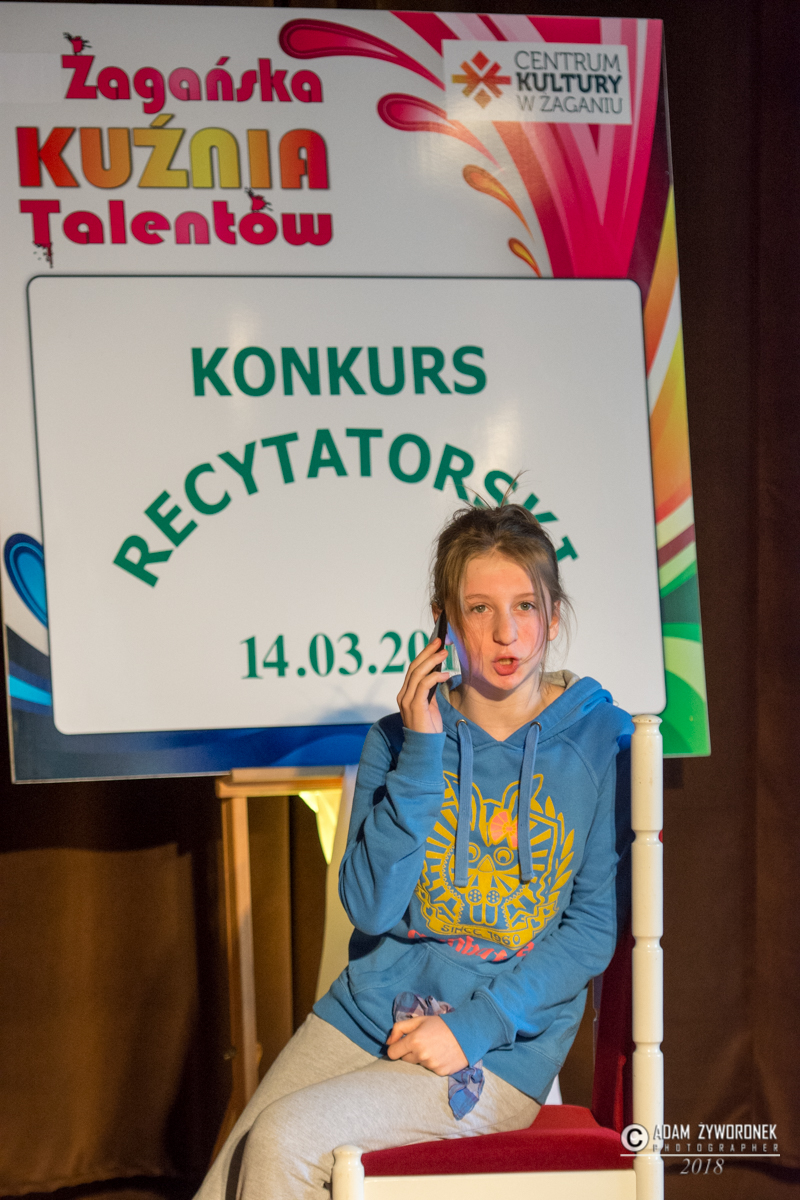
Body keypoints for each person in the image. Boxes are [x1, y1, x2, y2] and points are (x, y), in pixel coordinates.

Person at [195, 501, 632, 1200]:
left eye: (525, 606)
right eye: (480, 609)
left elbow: (590, 932)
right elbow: (371, 910)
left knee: (284, 1141)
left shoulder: (600, 740)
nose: (507, 632)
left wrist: (473, 1028)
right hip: (367, 1012)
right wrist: (424, 753)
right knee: (230, 1176)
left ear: (553, 615)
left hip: (495, 1048)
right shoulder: (395, 741)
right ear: (444, 623)